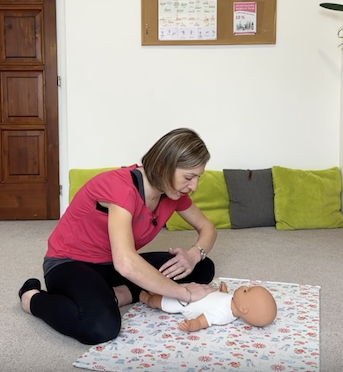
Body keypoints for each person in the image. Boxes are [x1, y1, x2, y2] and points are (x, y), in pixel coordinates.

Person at [18, 127, 218, 345]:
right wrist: (183, 294)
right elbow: (126, 264)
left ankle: (120, 294)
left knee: (202, 267)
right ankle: (32, 299)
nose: (194, 186)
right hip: (70, 263)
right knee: (100, 327)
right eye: (189, 177)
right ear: (164, 166)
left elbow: (208, 228)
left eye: (197, 177)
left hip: (113, 263)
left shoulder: (173, 192)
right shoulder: (121, 188)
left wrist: (194, 254)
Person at [139, 281, 278, 332]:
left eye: (247, 291)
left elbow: (202, 321)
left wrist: (191, 325)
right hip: (190, 291)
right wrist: (223, 292)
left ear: (243, 309)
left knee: (159, 301)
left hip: (183, 303)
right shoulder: (232, 301)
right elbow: (221, 300)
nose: (245, 287)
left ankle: (148, 299)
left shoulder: (222, 315)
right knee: (165, 287)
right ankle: (152, 289)